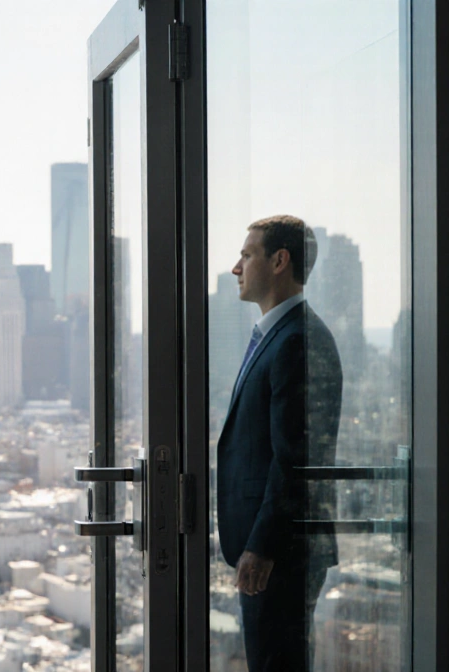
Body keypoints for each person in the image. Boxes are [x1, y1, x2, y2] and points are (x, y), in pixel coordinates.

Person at [217, 215, 343, 672]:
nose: (236, 267)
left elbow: (295, 458)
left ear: (279, 261)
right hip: (277, 548)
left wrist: (263, 545)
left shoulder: (296, 342)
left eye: (246, 255)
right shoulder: (281, 336)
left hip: (280, 552)